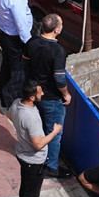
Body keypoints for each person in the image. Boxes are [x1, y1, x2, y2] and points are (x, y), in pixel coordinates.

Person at [22, 14, 71, 178]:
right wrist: (66, 94)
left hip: (36, 95)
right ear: (56, 30)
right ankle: (52, 166)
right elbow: (59, 77)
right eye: (62, 24)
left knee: (41, 125)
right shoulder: (58, 51)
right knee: (55, 132)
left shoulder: (32, 42)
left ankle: (40, 153)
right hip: (52, 98)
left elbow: (25, 64)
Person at [7, 79, 62, 197]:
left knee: (25, 191)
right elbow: (38, 144)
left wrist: (22, 132)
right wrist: (55, 132)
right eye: (40, 92)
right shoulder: (30, 117)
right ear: (32, 97)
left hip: (22, 154)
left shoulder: (17, 103)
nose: (42, 93)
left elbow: (10, 116)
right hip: (33, 161)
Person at [0, 0, 34, 107]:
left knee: (6, 66)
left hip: (4, 33)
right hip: (14, 38)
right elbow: (21, 24)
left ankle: (4, 98)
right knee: (16, 72)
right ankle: (12, 101)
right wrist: (29, 43)